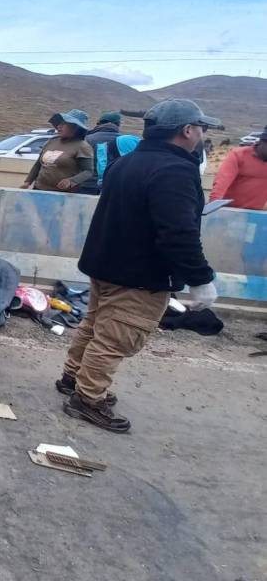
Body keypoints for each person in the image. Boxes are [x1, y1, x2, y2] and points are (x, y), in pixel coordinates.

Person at [57, 99, 219, 433]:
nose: (202, 134)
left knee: (95, 326)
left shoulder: (128, 162)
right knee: (116, 338)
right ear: (187, 130)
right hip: (138, 273)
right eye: (201, 128)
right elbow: (178, 232)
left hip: (106, 263)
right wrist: (200, 278)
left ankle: (72, 378)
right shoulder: (175, 170)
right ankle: (88, 399)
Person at [21, 109, 94, 192]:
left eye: (64, 124)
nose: (59, 126)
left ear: (75, 127)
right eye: (59, 123)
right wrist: (28, 182)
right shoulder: (51, 141)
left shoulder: (82, 146)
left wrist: (72, 181)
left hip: (62, 195)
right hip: (39, 189)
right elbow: (38, 164)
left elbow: (88, 171)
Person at [209, 127, 267, 211]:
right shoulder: (238, 155)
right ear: (262, 142)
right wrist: (214, 208)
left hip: (255, 215)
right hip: (228, 212)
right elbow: (221, 184)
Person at [77, 111, 122, 195]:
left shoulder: (87, 139)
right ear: (118, 124)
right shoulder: (123, 140)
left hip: (87, 186)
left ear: (98, 123)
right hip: (113, 187)